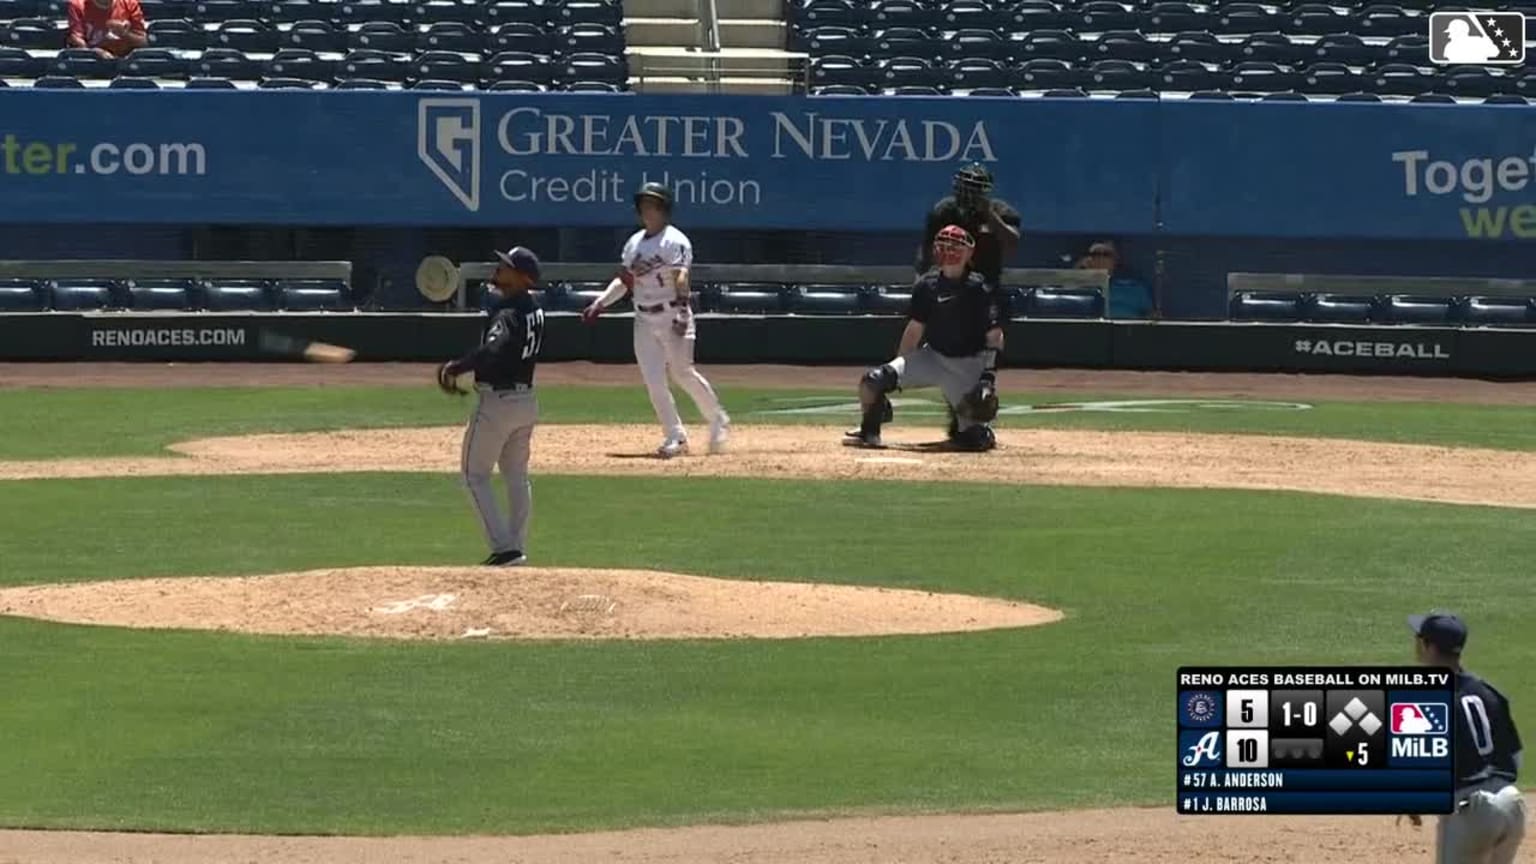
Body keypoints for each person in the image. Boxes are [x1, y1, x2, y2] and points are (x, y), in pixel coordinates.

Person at [582, 182, 730, 458]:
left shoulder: (675, 240)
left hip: (672, 312)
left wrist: (683, 310)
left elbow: (681, 276)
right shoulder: (634, 244)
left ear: (664, 209)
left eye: (653, 205)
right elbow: (625, 281)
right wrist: (600, 302)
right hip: (643, 317)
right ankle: (675, 435)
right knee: (653, 381)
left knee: (682, 372)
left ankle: (717, 419)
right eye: (644, 205)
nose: (647, 210)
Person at [845, 225, 1006, 452]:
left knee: (973, 439)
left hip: (967, 364)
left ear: (969, 253)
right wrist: (897, 371)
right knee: (873, 381)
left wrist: (987, 378)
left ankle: (980, 430)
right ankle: (869, 432)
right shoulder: (927, 285)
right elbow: (914, 330)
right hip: (933, 356)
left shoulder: (979, 288)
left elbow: (995, 335)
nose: (948, 251)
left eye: (955, 247)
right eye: (944, 246)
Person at [437, 246, 545, 567]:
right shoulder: (534, 309)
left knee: (474, 475)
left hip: (498, 404)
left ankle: (504, 547)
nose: (499, 268)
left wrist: (457, 367)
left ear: (523, 278)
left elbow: (494, 348)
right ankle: (516, 546)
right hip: (526, 401)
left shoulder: (508, 311)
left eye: (506, 266)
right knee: (517, 477)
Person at [1398, 611, 1526, 864]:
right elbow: (1516, 757)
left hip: (1472, 813)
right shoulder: (1489, 693)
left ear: (1428, 647)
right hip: (1513, 806)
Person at [917, 163, 1021, 292]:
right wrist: (921, 279)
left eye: (974, 190)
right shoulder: (944, 210)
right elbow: (927, 249)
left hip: (986, 282)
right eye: (964, 189)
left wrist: (989, 215)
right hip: (948, 279)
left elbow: (1012, 243)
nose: (968, 195)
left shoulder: (1001, 211)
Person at [1076, 239, 1155, 319]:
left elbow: (1150, 317)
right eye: (1095, 254)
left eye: (1106, 254)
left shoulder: (1136, 289)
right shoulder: (1078, 288)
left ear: (1116, 258)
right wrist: (1079, 270)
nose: (1100, 259)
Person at [66, 0, 146, 59]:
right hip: (93, 62)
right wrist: (93, 52)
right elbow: (77, 40)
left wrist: (124, 34)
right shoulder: (78, 5)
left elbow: (143, 42)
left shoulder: (130, 3)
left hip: (125, 62)